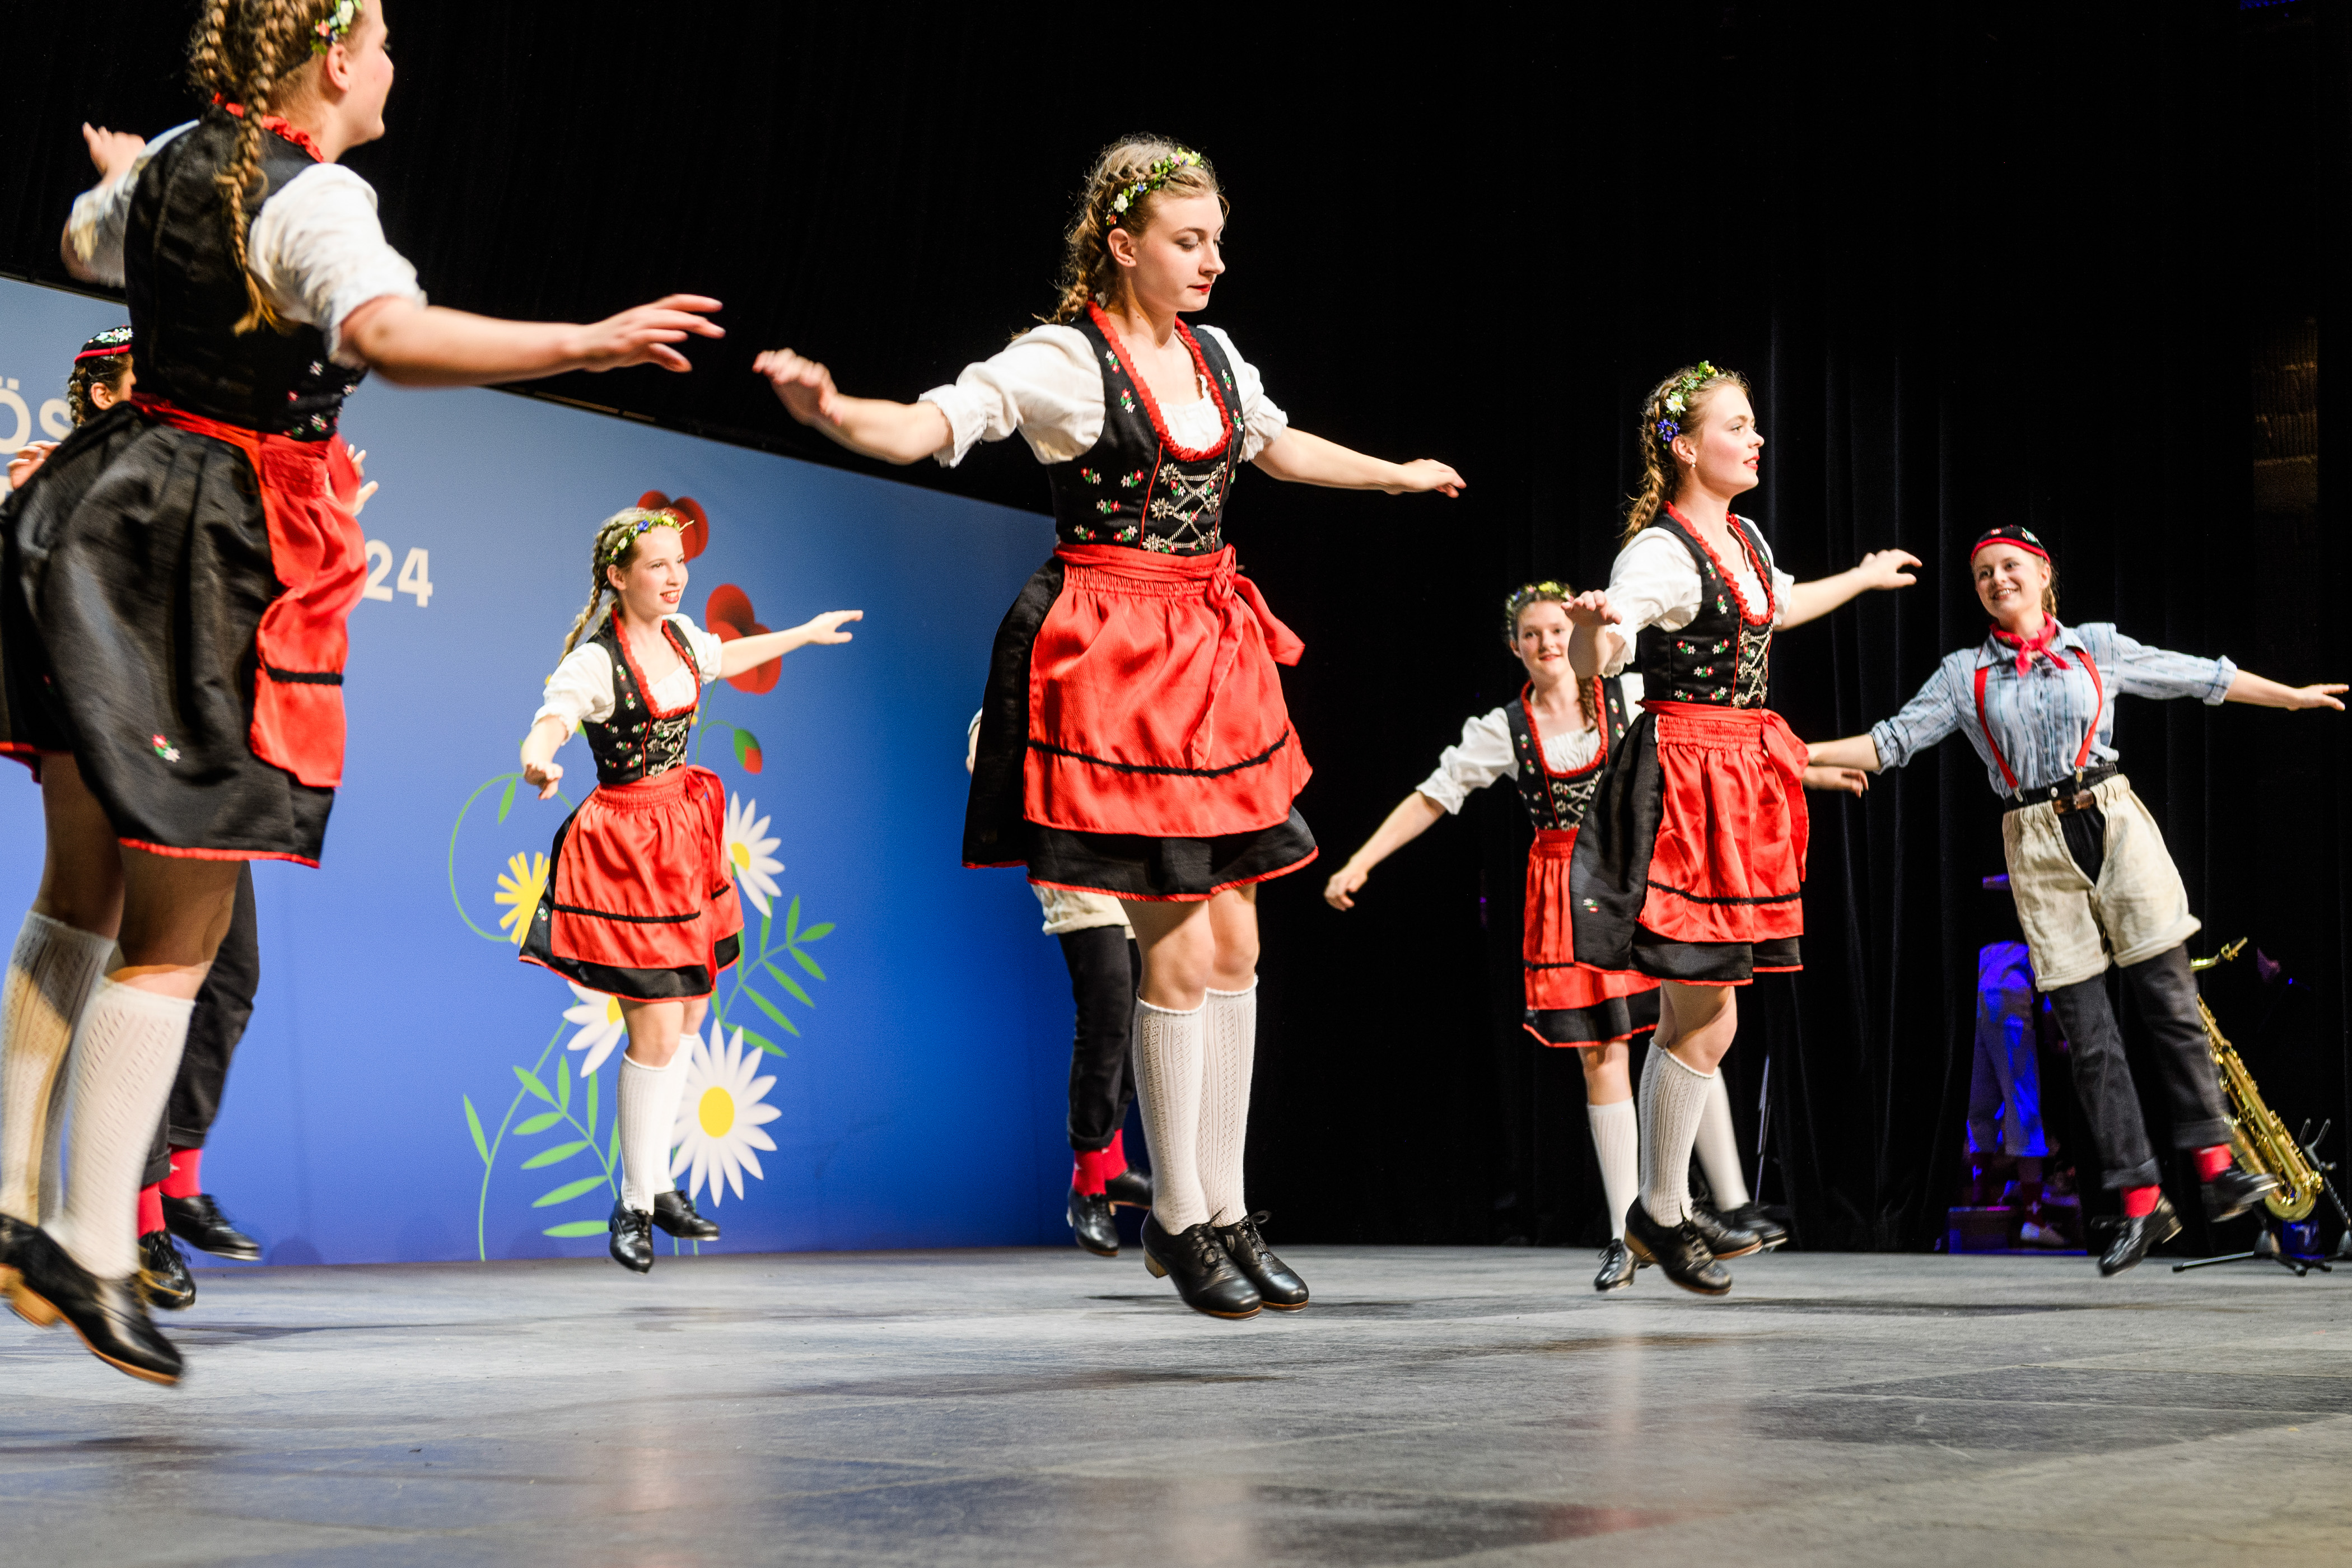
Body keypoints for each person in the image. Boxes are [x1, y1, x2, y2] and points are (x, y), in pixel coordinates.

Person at [0, 0, 723, 1383]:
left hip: (102, 515)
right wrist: (580, 341)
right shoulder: (318, 195)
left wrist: (118, 177)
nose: (392, 66)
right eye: (382, 42)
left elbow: (85, 244)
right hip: (213, 545)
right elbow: (390, 332)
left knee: (75, 892)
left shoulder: (172, 160)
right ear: (335, 59)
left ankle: (19, 1206)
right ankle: (94, 1249)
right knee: (182, 919)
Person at [757, 137, 1464, 1319]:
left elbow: (1272, 442)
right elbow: (939, 422)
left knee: (1238, 942)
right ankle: (1181, 1218)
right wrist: (837, 413)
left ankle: (1226, 1207)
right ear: (1123, 244)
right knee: (1176, 946)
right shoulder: (1062, 361)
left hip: (1209, 650)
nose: (1213, 263)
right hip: (1113, 660)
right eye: (1190, 242)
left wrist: (1391, 474)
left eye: (1219, 241)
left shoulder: (1218, 356)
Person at [1806, 525, 2342, 1273]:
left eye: (2011, 567)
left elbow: (2196, 676)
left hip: (2114, 818)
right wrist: (1796, 753)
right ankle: (2137, 1202)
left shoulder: (2096, 645)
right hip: (2035, 839)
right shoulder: (1965, 674)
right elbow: (1891, 741)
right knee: (2090, 1037)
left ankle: (2217, 1169)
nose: (1998, 580)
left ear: (2043, 574)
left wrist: (2287, 698)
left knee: (2171, 1002)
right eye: (1985, 573)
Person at [1325, 582, 1813, 1291]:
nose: (1549, 644)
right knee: (1602, 1054)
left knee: (1690, 1022)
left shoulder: (1628, 695)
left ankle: (1730, 1202)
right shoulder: (1505, 728)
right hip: (1570, 891)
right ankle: (1627, 1229)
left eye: (1557, 630)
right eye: (1531, 634)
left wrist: (1816, 767)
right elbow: (1436, 794)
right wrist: (1360, 861)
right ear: (1515, 646)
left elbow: (1721, 734)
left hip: (1641, 869)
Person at [1563, 361, 1911, 1297]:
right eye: (1735, 426)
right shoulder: (1660, 553)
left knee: (1707, 1016)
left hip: (1741, 777)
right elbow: (1614, 641)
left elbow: (1782, 607)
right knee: (1705, 1011)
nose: (1755, 440)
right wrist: (1594, 629)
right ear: (1683, 445)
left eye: (1754, 425)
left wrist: (1865, 577)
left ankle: (1662, 1211)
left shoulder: (1746, 538)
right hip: (1687, 784)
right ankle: (1660, 1212)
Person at [519, 508, 857, 1273]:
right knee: (656, 1028)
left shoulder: (681, 640)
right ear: (618, 577)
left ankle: (660, 1182)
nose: (676, 577)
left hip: (685, 830)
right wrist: (539, 762)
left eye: (681, 564)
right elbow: (550, 721)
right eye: (658, 566)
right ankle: (635, 1204)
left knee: (692, 1009)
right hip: (629, 846)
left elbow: (730, 658)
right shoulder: (597, 664)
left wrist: (803, 633)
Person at [967, 713, 1153, 1256]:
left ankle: (1114, 1161)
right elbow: (987, 756)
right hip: (1073, 858)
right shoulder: (1029, 671)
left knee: (1143, 1007)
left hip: (1128, 855)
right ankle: (1088, 1181)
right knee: (1109, 1005)